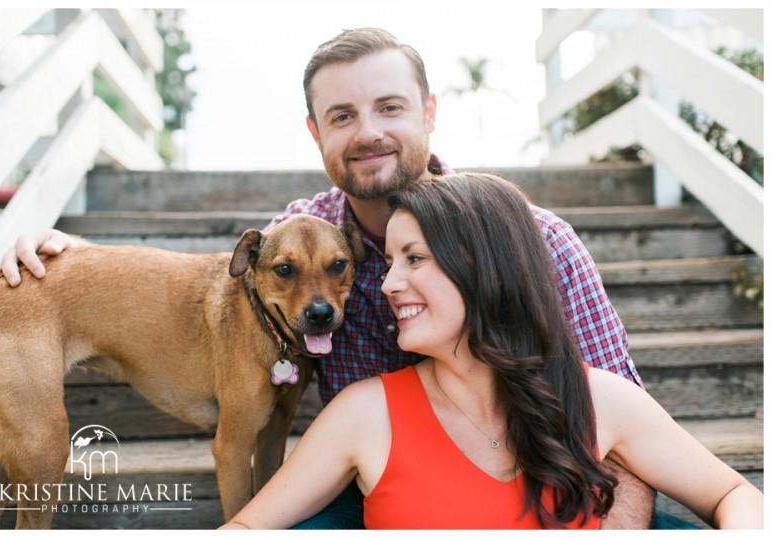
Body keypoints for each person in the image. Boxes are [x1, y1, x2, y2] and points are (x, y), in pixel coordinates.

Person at [0, 27, 679, 528]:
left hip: (544, 490)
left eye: (390, 107)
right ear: (315, 134)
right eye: (342, 116)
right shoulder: (306, 237)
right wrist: (65, 246)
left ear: (430, 112)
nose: (367, 132)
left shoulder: (540, 243)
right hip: (375, 488)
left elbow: (630, 436)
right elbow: (250, 265)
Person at [218, 172, 763, 530]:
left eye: (415, 259)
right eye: (388, 262)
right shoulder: (363, 414)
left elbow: (737, 495)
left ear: (483, 268)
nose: (385, 285)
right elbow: (244, 527)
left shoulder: (602, 400)